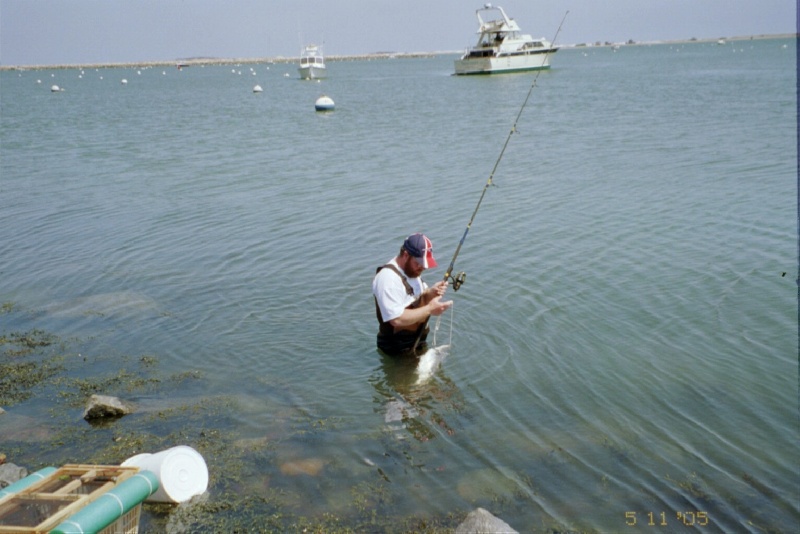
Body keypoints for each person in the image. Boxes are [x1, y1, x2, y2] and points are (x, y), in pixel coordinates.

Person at [372, 233, 452, 356]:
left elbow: (417, 297)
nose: (423, 267)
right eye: (419, 262)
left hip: (417, 341)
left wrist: (431, 293)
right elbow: (396, 319)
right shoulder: (388, 279)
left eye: (425, 264)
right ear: (406, 255)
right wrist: (430, 309)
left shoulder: (412, 270)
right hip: (397, 350)